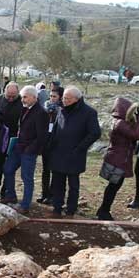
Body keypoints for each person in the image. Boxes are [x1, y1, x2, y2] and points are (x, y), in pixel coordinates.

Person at [47, 87, 101, 216]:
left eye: (68, 98)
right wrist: (50, 146)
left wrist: (80, 148)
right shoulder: (61, 109)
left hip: (75, 154)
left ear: (76, 99)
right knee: (57, 183)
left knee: (73, 184)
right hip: (58, 152)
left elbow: (95, 133)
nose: (64, 100)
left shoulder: (89, 112)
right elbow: (56, 128)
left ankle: (71, 209)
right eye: (64, 98)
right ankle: (57, 207)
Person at [96, 98, 139, 221]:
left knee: (114, 186)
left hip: (119, 158)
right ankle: (104, 211)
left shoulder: (121, 122)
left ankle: (103, 209)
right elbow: (136, 135)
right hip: (118, 159)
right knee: (113, 186)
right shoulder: (120, 123)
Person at [2, 86, 49, 214]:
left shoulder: (41, 113)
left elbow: (42, 136)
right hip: (19, 147)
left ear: (34, 97)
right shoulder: (25, 109)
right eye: (22, 97)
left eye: (25, 97)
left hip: (29, 150)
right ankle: (11, 195)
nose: (23, 100)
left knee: (26, 177)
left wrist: (30, 149)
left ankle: (25, 205)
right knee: (7, 169)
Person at [0, 82, 23, 199]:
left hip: (13, 138)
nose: (10, 98)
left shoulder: (21, 103)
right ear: (4, 91)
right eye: (8, 95)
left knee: (9, 167)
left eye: (13, 96)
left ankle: (5, 190)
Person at [37, 88, 61, 204]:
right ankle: (44, 193)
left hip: (57, 144)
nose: (52, 99)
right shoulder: (45, 108)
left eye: (54, 96)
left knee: (55, 171)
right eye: (50, 96)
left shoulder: (62, 111)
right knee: (45, 170)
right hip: (46, 143)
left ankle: (52, 195)